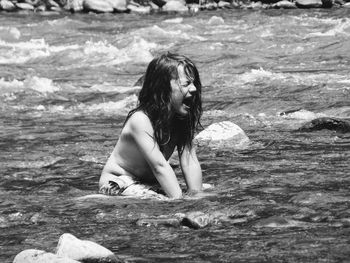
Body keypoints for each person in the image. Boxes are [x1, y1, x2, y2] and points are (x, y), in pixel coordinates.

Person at [99, 53, 203, 199]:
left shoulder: (180, 117)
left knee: (203, 190)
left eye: (194, 83)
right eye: (186, 84)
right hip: (120, 180)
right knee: (163, 200)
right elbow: (159, 166)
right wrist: (179, 202)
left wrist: (196, 195)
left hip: (149, 181)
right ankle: (96, 199)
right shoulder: (140, 120)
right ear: (163, 89)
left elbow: (189, 160)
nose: (193, 89)